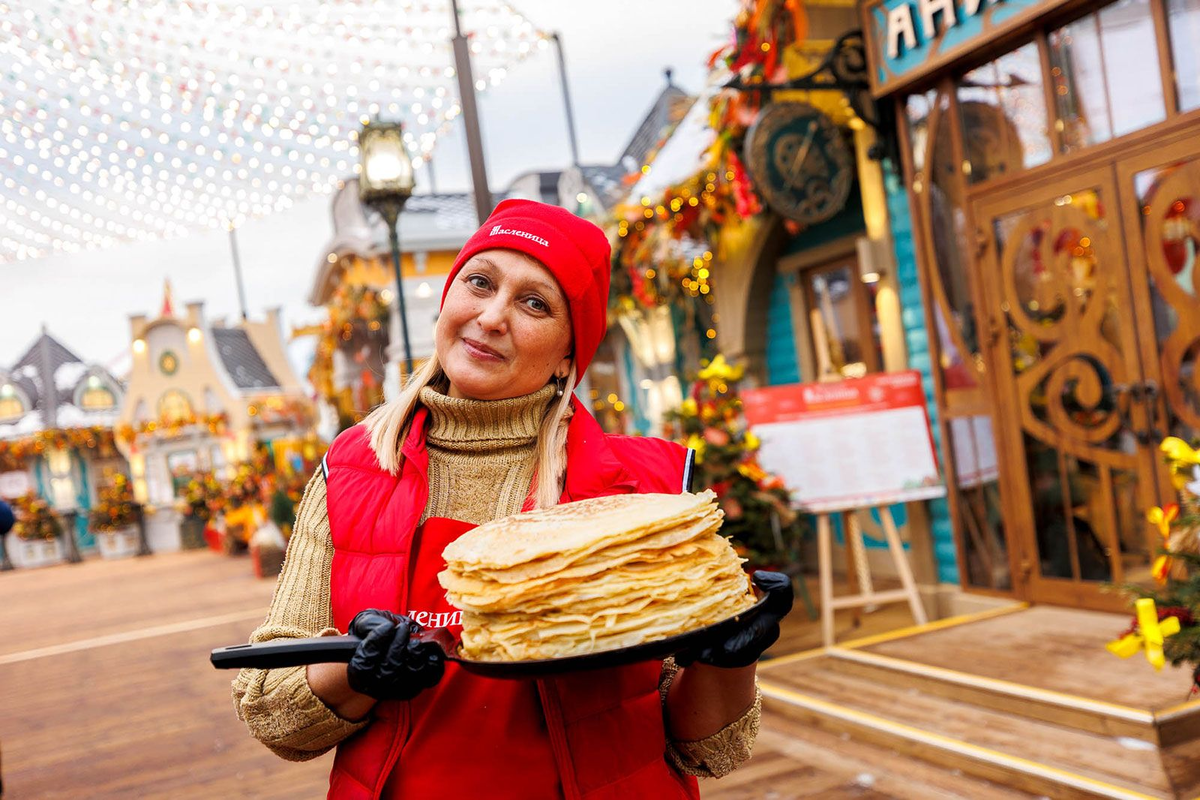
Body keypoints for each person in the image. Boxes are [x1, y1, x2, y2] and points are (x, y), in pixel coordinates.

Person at [233, 199, 793, 799]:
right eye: (480, 282)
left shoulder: (647, 492)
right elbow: (271, 710)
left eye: (534, 303)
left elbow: (710, 749)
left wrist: (728, 661)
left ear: (568, 355)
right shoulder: (351, 470)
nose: (492, 316)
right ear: (448, 301)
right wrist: (356, 673)